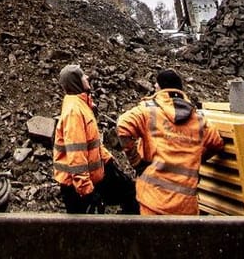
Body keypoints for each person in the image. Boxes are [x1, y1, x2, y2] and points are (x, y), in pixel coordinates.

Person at [115, 68, 224, 216]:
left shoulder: (148, 112)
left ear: (159, 88)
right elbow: (217, 143)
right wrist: (197, 159)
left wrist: (136, 162)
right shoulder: (198, 120)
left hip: (153, 201)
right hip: (186, 206)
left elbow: (123, 126)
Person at [51, 64, 138, 214]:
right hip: (77, 187)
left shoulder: (81, 105)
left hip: (92, 178)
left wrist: (107, 159)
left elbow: (92, 141)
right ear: (76, 82)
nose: (87, 77)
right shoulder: (74, 112)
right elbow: (76, 154)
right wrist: (87, 191)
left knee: (130, 192)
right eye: (83, 76)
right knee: (83, 231)